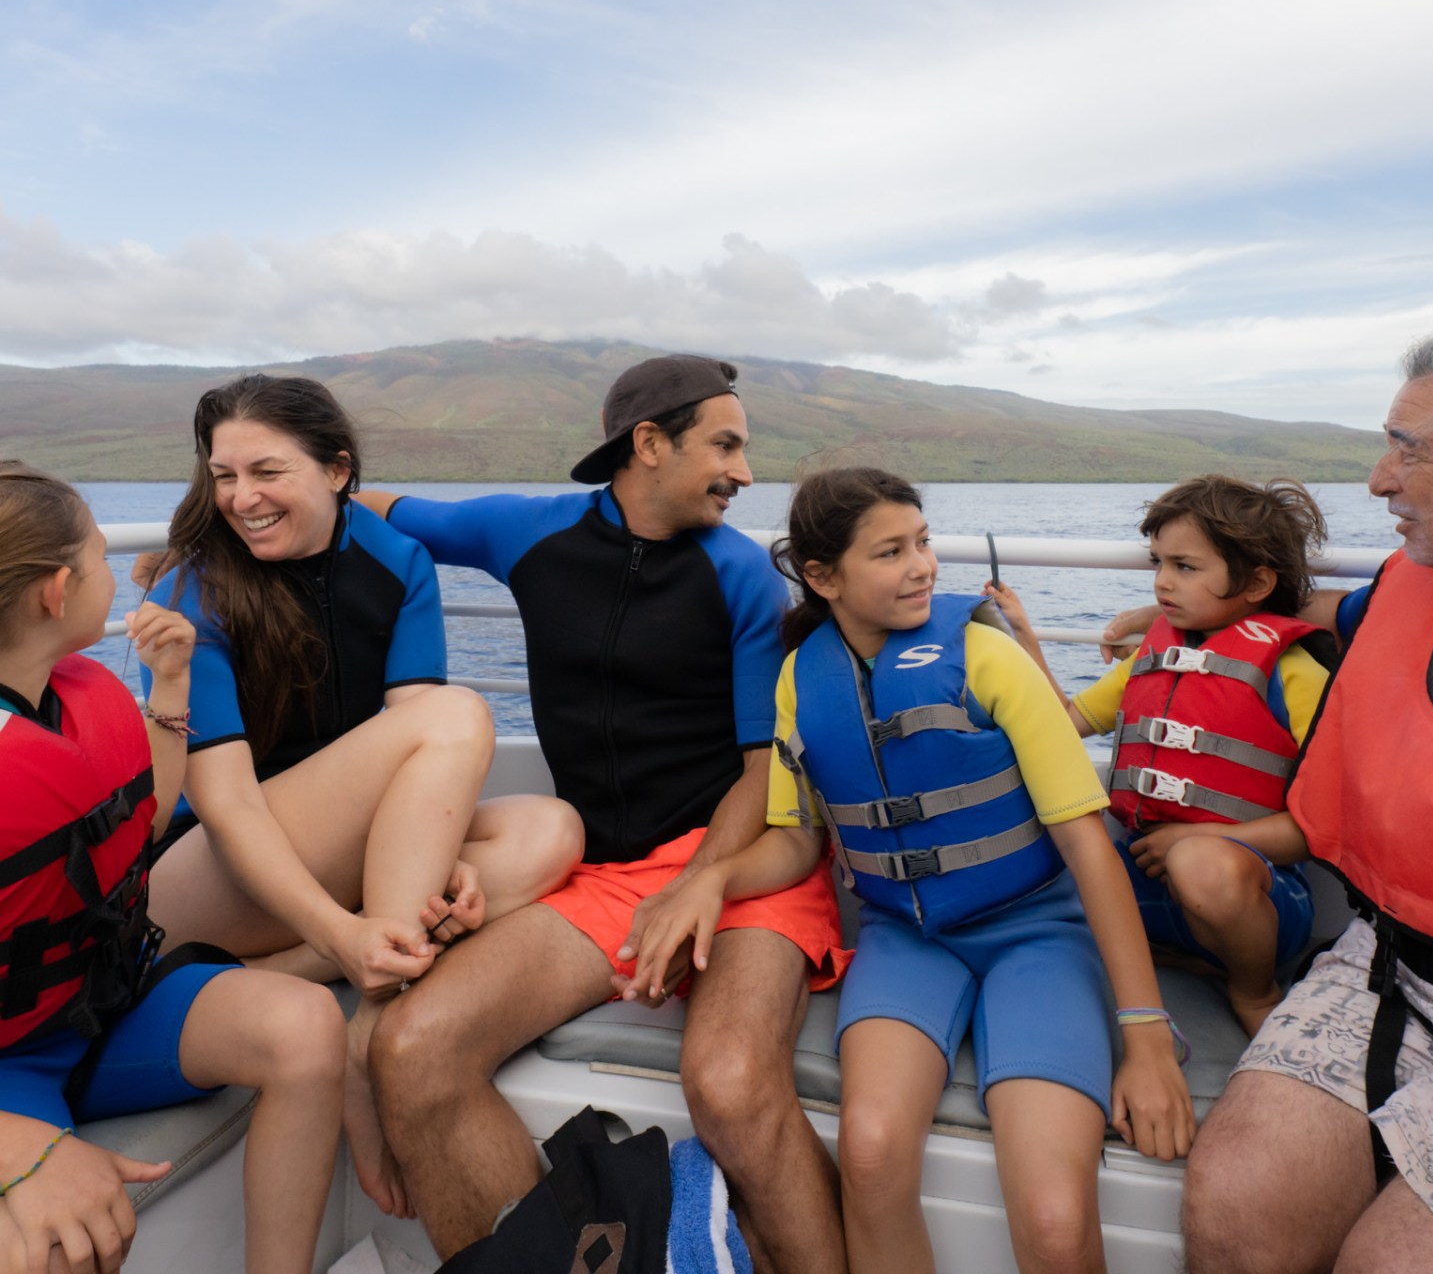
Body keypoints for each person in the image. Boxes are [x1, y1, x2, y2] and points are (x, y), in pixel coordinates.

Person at [623, 467, 1195, 1274]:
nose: (923, 565)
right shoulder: (801, 680)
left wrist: (1146, 1040)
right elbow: (795, 842)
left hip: (1037, 933)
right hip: (908, 940)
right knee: (868, 1153)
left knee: (1056, 1217)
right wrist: (708, 880)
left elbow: (1088, 849)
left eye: (922, 542)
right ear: (823, 578)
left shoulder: (985, 655)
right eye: (891, 552)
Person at [358, 355, 849, 1270]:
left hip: (742, 861)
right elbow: (375, 508)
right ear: (650, 445)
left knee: (732, 1085)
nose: (746, 473)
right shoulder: (526, 532)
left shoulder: (741, 574)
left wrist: (698, 886)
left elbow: (762, 773)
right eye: (727, 445)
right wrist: (211, 548)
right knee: (414, 1049)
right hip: (608, 876)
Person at [143, 376, 583, 1219]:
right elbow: (229, 807)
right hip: (205, 877)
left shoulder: (395, 561)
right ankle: (376, 1018)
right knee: (459, 713)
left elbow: (417, 748)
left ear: (338, 471)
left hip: (325, 870)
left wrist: (434, 864)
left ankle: (327, 982)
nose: (241, 498)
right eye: (223, 476)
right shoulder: (191, 590)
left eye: (266, 472)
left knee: (550, 830)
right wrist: (344, 930)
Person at [1181, 314, 1433, 1274]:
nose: (1378, 481)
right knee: (1234, 1216)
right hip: (1397, 963)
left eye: (1407, 452)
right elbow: (1329, 612)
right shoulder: (1420, 578)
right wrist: (1180, 614)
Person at [0, 461, 346, 1274]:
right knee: (63, 1243)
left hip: (99, 1005)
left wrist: (171, 684)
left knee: (305, 1026)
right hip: (10, 1064)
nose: (114, 575)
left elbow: (140, 820)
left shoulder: (70, 689)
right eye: (98, 556)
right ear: (57, 591)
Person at [985, 476, 1334, 1035]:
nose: (1162, 584)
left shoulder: (1295, 675)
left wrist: (1200, 840)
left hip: (1251, 894)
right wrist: (1023, 634)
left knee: (1201, 866)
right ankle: (1182, 961)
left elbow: (1321, 828)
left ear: (1258, 582)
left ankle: (1253, 989)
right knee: (1032, 854)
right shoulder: (1153, 658)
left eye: (1185, 567)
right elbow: (1064, 723)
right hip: (1147, 887)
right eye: (1158, 563)